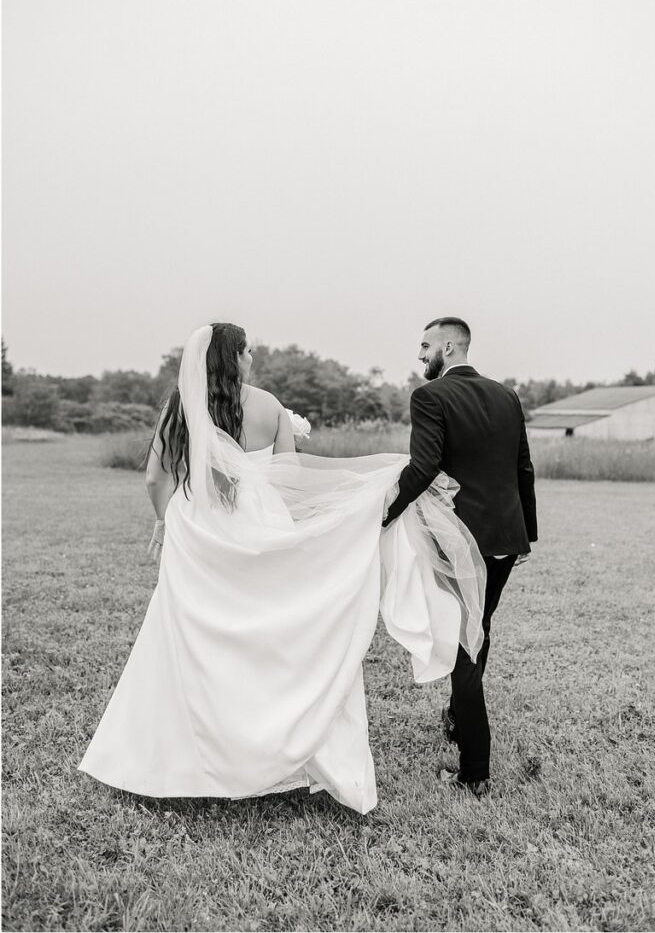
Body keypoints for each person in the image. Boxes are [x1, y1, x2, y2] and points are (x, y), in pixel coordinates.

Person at [79, 322, 486, 814]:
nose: (253, 358)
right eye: (247, 351)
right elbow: (291, 479)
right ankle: (286, 745)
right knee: (276, 634)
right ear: (233, 359)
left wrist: (167, 522)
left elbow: (154, 477)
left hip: (198, 533)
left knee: (189, 640)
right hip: (261, 524)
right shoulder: (269, 405)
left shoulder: (179, 406)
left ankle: (181, 758)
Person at [383, 316, 537, 798]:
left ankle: (475, 771)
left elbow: (424, 465)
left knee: (463, 646)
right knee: (478, 627)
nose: (421, 354)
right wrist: (526, 533)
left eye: (425, 345)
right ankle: (456, 717)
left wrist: (384, 515)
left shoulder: (429, 397)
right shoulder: (507, 395)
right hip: (505, 539)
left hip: (460, 539)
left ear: (449, 346)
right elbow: (523, 467)